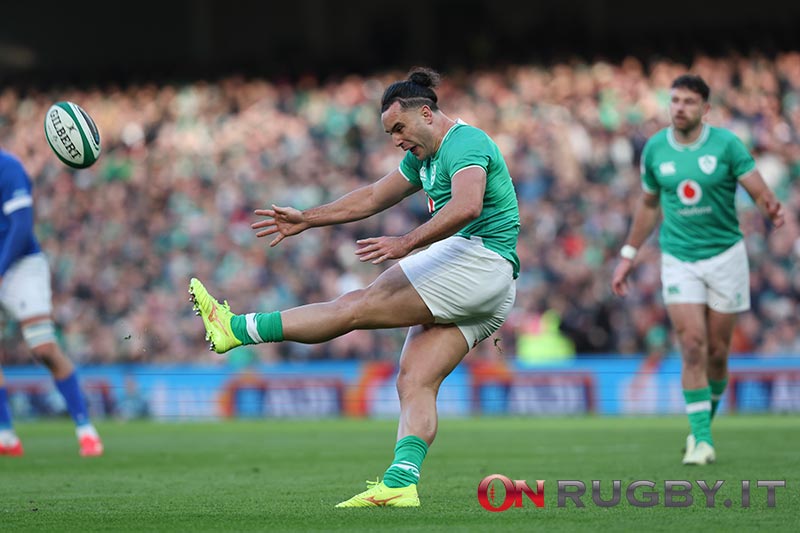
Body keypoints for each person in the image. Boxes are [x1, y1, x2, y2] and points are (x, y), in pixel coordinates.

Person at [190, 67, 519, 506]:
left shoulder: (465, 142)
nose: (397, 139)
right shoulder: (424, 156)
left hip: (478, 259)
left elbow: (467, 205)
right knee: (414, 380)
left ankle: (236, 328)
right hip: (491, 281)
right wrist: (308, 218)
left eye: (399, 128)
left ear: (427, 113)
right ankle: (401, 483)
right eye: (390, 133)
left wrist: (405, 242)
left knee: (356, 306)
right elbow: (370, 197)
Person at [611, 74, 784, 465]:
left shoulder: (726, 144)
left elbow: (756, 187)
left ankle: (701, 429)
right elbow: (650, 204)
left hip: (725, 256)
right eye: (675, 100)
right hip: (679, 257)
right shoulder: (655, 149)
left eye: (689, 101)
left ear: (705, 108)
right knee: (692, 346)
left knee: (719, 353)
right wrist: (628, 254)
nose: (680, 107)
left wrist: (770, 205)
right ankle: (702, 441)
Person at [0, 149, 104, 457]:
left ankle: (85, 428)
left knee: (42, 348)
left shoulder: (8, 167)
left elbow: (21, 226)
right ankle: (6, 435)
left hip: (20, 263)